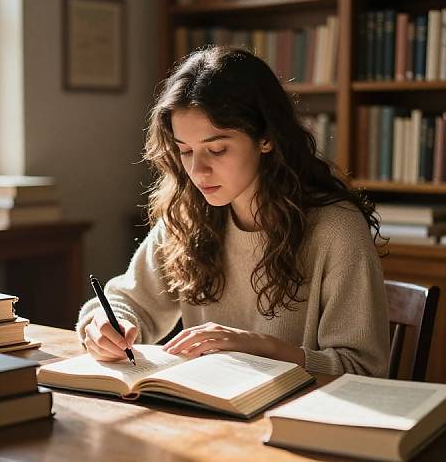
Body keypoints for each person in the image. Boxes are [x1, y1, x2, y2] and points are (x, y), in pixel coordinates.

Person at [77, 46, 390, 377]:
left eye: (217, 149)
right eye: (185, 151)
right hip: (213, 412)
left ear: (266, 138)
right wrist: (106, 325)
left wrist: (259, 347)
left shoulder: (336, 229)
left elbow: (363, 370)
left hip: (299, 421)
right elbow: (126, 303)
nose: (198, 171)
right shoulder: (188, 215)